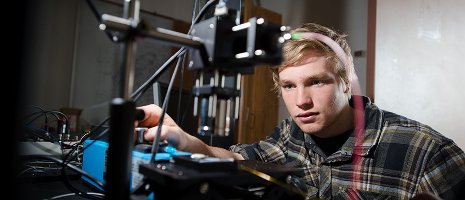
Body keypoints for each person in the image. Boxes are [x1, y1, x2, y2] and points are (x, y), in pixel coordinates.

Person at [136, 23, 465, 199]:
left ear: (347, 82)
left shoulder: (427, 153)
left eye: (316, 82)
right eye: (289, 86)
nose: (301, 101)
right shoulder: (288, 135)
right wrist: (183, 139)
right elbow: (236, 160)